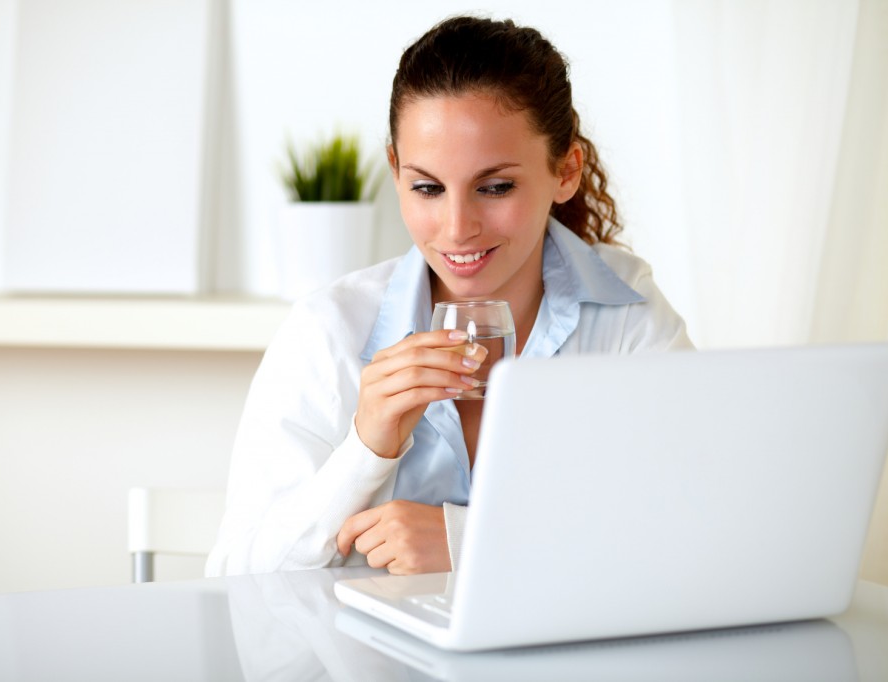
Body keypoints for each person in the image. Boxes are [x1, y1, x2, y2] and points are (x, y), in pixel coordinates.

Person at [206, 15, 692, 578]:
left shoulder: (627, 316)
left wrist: (469, 542)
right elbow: (237, 584)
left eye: (495, 187)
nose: (457, 228)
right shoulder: (329, 332)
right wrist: (366, 449)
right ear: (395, 171)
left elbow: (692, 532)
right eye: (428, 188)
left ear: (565, 170)